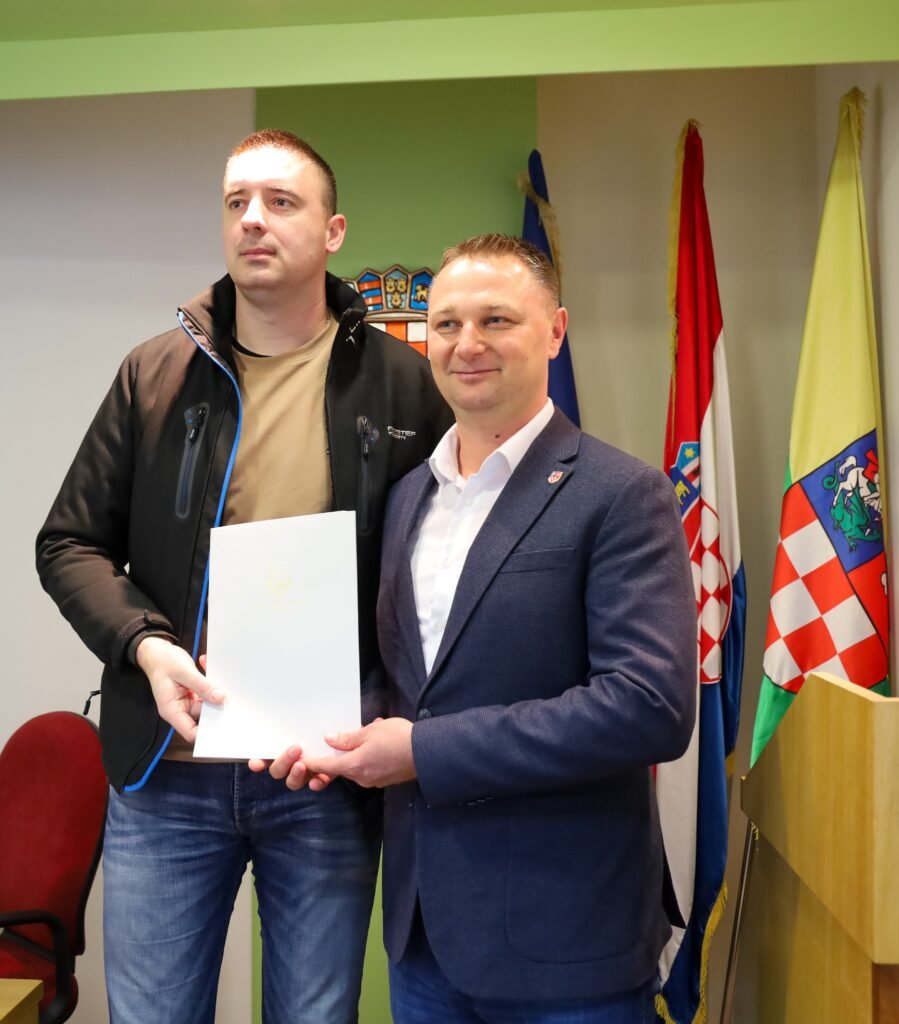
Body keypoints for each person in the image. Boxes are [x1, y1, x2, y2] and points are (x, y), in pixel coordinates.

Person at [36, 129, 452, 1024]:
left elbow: (438, 574)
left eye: (280, 201)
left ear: (334, 231)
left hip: (323, 774)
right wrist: (147, 647)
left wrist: (389, 710)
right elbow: (68, 543)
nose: (252, 220)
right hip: (167, 770)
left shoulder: (405, 385)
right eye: (236, 203)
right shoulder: (154, 374)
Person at [274, 234, 698, 1022]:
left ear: (555, 331)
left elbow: (649, 707)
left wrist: (420, 751)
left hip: (568, 939)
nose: (466, 344)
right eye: (446, 324)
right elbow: (409, 686)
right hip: (425, 939)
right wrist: (301, 718)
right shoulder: (409, 496)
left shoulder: (621, 494)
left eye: (496, 319)